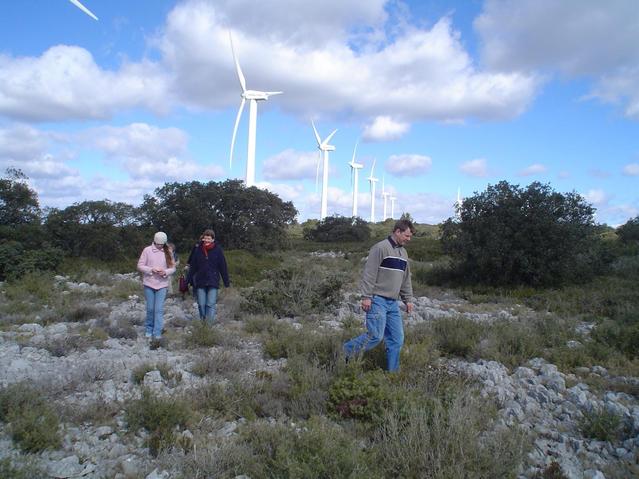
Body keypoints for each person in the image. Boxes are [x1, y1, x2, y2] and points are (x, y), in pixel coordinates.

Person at [343, 219, 415, 372]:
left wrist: (408, 299)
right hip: (377, 300)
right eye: (407, 236)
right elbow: (369, 273)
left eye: (410, 237)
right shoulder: (380, 248)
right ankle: (345, 352)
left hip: (392, 303)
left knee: (397, 339)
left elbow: (405, 278)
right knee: (375, 335)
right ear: (397, 232)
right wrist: (366, 297)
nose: (409, 239)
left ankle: (393, 374)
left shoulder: (403, 253)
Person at [137, 232, 176, 347]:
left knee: (158, 309)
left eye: (161, 244)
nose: (159, 246)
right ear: (154, 241)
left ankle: (157, 332)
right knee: (150, 308)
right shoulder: (147, 250)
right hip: (149, 284)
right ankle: (149, 330)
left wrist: (165, 272)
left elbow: (172, 268)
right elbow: (140, 265)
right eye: (157, 244)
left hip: (162, 285)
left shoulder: (168, 251)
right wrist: (151, 269)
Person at [186, 229, 230, 324]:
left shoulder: (218, 250)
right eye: (205, 238)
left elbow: (223, 266)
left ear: (213, 239)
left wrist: (226, 282)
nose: (206, 241)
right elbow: (193, 266)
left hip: (213, 281)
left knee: (210, 304)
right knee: (201, 304)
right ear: (203, 238)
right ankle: (203, 321)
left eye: (209, 239)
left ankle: (208, 326)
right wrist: (187, 281)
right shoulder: (198, 250)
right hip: (200, 280)